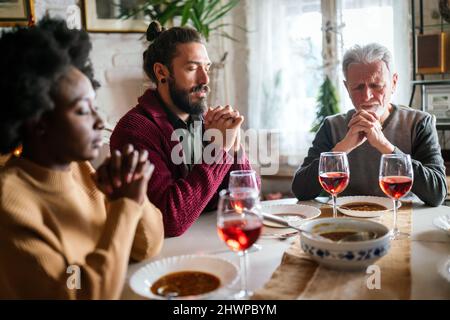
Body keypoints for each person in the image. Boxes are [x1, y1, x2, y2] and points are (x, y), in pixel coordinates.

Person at [0, 18, 164, 299]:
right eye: (81, 111)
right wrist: (124, 205)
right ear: (38, 121)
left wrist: (133, 196)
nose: (100, 121)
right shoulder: (12, 205)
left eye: (95, 107)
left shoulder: (80, 170)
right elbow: (78, 288)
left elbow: (146, 247)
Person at [110, 22, 257, 237]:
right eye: (191, 68)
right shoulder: (134, 132)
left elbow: (248, 199)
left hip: (211, 242)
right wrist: (219, 149)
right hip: (163, 258)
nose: (205, 79)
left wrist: (233, 146)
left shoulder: (206, 122)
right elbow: (169, 220)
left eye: (206, 67)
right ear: (161, 72)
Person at [292, 43, 447, 207]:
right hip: (348, 222)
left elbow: (437, 194)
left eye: (376, 85)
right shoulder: (332, 125)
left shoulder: (419, 123)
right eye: (358, 87)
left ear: (394, 83)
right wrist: (343, 147)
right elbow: (301, 191)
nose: (366, 96)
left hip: (403, 220)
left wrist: (385, 146)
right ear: (347, 88)